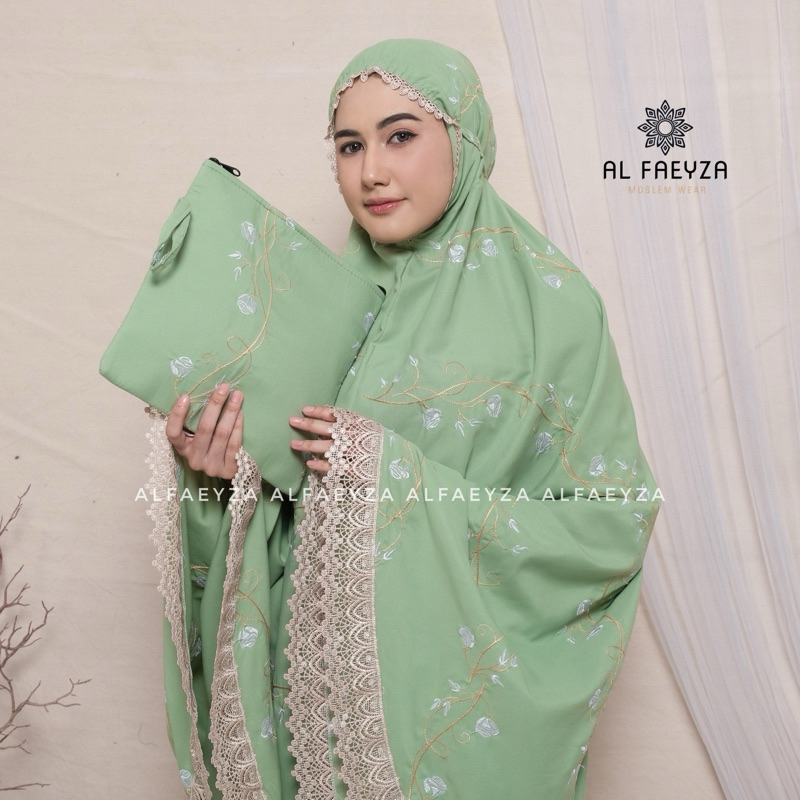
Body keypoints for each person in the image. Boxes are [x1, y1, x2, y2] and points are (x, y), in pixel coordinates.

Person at [153, 38, 659, 800]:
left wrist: (392, 479)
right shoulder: (320, 305)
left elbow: (610, 526)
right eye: (349, 145)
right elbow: (289, 518)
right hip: (314, 718)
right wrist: (226, 478)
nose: (371, 172)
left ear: (464, 138)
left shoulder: (552, 311)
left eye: (400, 136)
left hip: (441, 718)